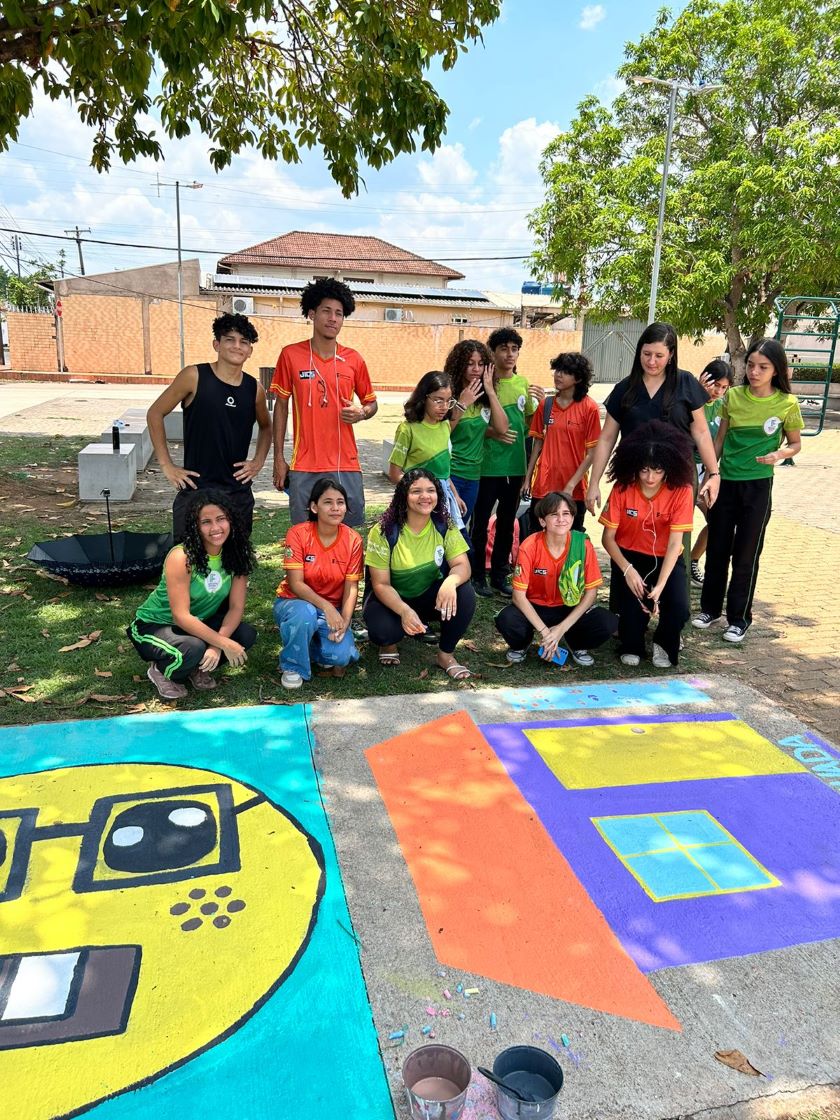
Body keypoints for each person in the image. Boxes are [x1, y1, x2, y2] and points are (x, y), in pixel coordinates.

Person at [693, 338, 803, 643]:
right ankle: (710, 610)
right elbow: (718, 440)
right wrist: (710, 475)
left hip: (758, 486)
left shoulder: (786, 404)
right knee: (717, 548)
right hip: (725, 482)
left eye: (763, 367)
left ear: (776, 370)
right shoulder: (735, 397)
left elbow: (795, 444)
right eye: (751, 365)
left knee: (746, 555)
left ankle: (739, 619)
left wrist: (779, 455)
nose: (754, 371)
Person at [147, 313, 271, 541]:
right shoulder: (194, 376)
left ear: (250, 350)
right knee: (187, 560)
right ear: (217, 344)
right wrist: (167, 465)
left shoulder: (255, 389)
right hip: (197, 486)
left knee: (236, 559)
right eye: (229, 339)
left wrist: (258, 461)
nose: (237, 346)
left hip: (236, 489)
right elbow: (155, 413)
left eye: (244, 342)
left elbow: (266, 427)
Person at [127, 490, 257, 700]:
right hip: (154, 624)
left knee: (245, 635)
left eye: (221, 519)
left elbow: (236, 608)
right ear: (195, 527)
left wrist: (216, 645)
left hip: (198, 622)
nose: (215, 528)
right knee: (192, 648)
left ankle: (197, 667)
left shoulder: (237, 553)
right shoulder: (182, 556)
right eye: (206, 522)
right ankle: (160, 671)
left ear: (230, 520)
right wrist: (224, 643)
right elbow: (181, 616)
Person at [271, 278, 377, 526]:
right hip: (304, 464)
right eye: (326, 311)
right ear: (311, 313)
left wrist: (362, 412)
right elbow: (281, 407)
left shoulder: (354, 359)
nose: (333, 318)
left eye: (339, 313)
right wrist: (278, 458)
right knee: (304, 536)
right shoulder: (291, 355)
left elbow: (372, 403)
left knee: (348, 537)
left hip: (346, 464)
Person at [585, 322, 721, 516]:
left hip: (677, 479)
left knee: (674, 543)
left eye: (659, 356)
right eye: (646, 354)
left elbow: (701, 433)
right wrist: (594, 483)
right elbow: (607, 438)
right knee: (628, 539)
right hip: (633, 478)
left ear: (671, 355)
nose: (651, 362)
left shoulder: (685, 383)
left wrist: (714, 474)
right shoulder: (625, 389)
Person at [599, 421, 696, 669]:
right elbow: (607, 538)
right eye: (644, 470)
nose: (650, 477)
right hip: (629, 556)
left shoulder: (682, 490)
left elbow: (676, 544)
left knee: (677, 606)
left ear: (669, 468)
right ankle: (632, 643)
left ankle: (664, 643)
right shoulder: (623, 487)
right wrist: (628, 570)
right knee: (633, 612)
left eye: (657, 471)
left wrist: (662, 585)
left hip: (666, 557)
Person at [363, 469, 476, 680]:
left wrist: (450, 582)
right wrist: (404, 611)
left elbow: (463, 565)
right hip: (390, 599)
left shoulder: (444, 525)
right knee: (384, 631)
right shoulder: (384, 531)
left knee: (465, 593)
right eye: (416, 491)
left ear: (438, 495)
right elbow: (381, 584)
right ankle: (389, 642)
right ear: (404, 496)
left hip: (426, 595)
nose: (425, 496)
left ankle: (445, 655)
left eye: (431, 490)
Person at [495, 491, 617, 667]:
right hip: (535, 606)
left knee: (607, 622)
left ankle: (576, 643)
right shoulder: (529, 546)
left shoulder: (583, 544)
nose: (561, 519)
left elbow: (591, 594)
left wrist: (560, 629)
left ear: (573, 518)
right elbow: (518, 596)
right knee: (507, 619)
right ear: (543, 521)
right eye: (554, 514)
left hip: (569, 605)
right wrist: (546, 633)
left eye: (566, 513)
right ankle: (522, 644)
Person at [470, 327, 542, 598]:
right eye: (504, 348)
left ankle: (500, 573)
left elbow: (531, 424)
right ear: (494, 352)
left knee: (507, 521)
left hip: (514, 467)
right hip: (486, 466)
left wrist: (543, 404)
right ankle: (477, 575)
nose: (510, 354)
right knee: (480, 522)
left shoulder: (523, 383)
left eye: (514, 349)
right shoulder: (483, 384)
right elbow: (473, 423)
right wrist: (492, 432)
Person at [273, 478, 363, 690]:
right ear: (314, 507)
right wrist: (328, 607)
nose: (335, 508)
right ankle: (293, 665)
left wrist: (345, 622)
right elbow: (296, 584)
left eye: (340, 502)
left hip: (330, 612)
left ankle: (306, 643)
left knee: (341, 657)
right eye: (328, 502)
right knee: (304, 614)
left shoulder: (353, 540)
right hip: (294, 602)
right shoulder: (298, 534)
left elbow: (351, 587)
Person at [523, 352, 601, 535]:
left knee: (571, 538)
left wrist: (571, 485)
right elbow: (537, 444)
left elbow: (592, 454)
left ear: (578, 378)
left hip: (575, 489)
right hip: (543, 485)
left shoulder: (589, 408)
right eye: (557, 370)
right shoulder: (546, 405)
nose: (558, 375)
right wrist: (527, 479)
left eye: (565, 371)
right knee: (538, 536)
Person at [387, 370, 466, 524]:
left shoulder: (445, 426)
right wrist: (421, 492)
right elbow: (394, 474)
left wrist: (455, 496)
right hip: (418, 503)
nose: (444, 407)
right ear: (424, 398)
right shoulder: (407, 429)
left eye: (449, 401)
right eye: (438, 400)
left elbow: (443, 471)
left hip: (444, 499)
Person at [443, 339, 509, 522]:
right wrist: (462, 404)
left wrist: (490, 391)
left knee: (463, 525)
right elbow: (440, 434)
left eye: (480, 364)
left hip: (473, 476)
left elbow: (502, 428)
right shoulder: (449, 395)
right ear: (459, 365)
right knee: (449, 528)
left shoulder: (485, 398)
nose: (476, 369)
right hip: (451, 473)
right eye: (470, 363)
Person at [689, 360, 733, 585]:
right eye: (716, 384)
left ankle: (692, 560)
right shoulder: (690, 399)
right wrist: (697, 394)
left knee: (717, 520)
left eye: (724, 387)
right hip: (686, 468)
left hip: (710, 471)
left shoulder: (723, 405)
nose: (719, 391)